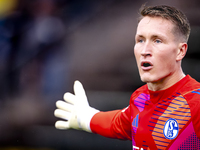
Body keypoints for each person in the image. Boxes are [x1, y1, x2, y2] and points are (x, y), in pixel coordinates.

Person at [54, 5, 200, 150]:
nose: (145, 50)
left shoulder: (195, 103)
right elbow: (117, 123)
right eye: (140, 40)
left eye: (157, 41)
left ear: (180, 51)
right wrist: (86, 118)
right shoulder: (140, 99)